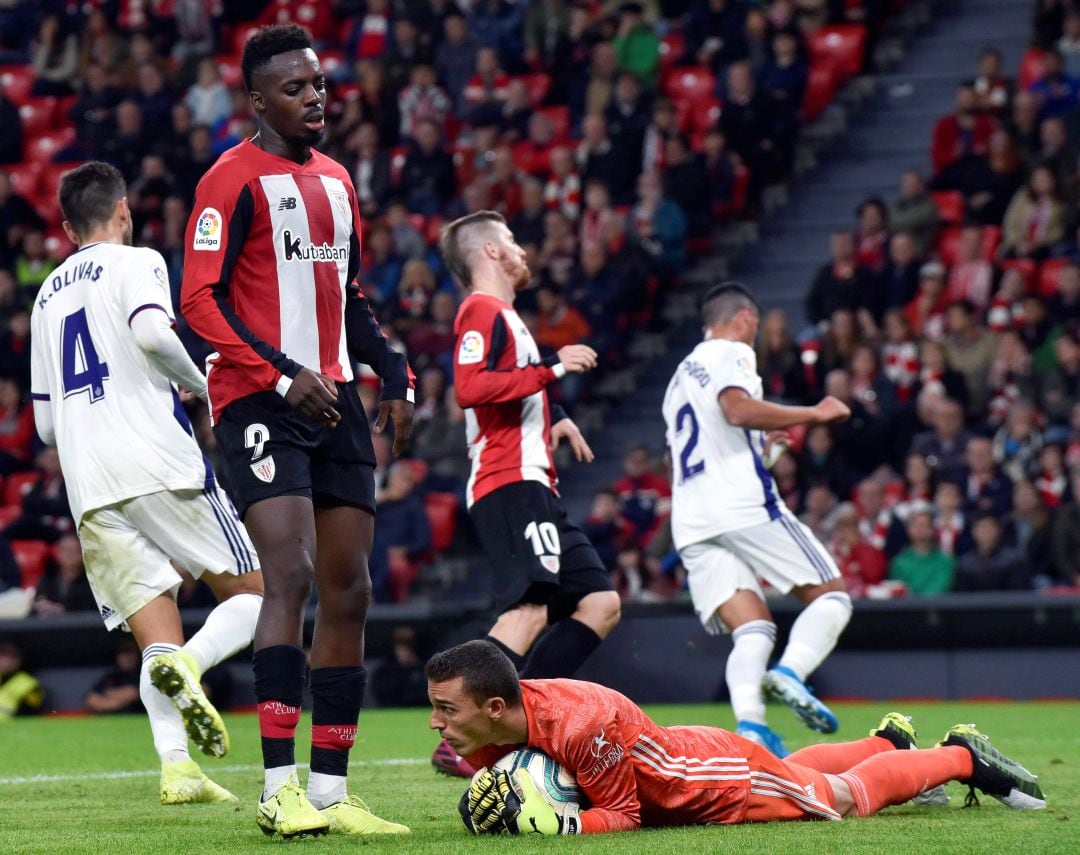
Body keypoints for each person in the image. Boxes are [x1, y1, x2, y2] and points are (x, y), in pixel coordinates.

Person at [178, 25, 413, 839]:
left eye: (318, 84)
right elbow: (199, 301)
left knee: (351, 588)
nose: (315, 97)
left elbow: (350, 298)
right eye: (295, 88)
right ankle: (278, 787)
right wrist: (280, 372)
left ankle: (329, 789)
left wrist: (396, 370)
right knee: (293, 573)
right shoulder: (227, 180)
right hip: (259, 398)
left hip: (336, 397)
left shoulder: (341, 182)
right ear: (257, 100)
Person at [29, 161, 265, 805]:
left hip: (88, 483)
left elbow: (46, 426)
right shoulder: (138, 262)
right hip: (158, 461)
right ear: (123, 210)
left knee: (155, 635)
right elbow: (152, 332)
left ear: (68, 222)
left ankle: (178, 769)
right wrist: (202, 386)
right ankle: (189, 666)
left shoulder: (46, 294)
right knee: (262, 595)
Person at [430, 640, 1045, 836]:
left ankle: (962, 756)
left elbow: (624, 813)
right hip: (691, 753)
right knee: (795, 771)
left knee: (839, 797)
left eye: (444, 709)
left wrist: (564, 825)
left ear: (491, 706)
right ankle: (890, 741)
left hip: (708, 784)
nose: (435, 724)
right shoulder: (495, 721)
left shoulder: (579, 723)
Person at [434, 210, 621, 772]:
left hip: (534, 480)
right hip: (507, 481)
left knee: (599, 603)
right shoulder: (481, 310)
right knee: (528, 611)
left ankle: (513, 724)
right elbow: (471, 388)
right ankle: (462, 737)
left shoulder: (505, 318)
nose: (521, 249)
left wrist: (553, 413)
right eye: (511, 240)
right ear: (489, 252)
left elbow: (513, 382)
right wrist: (554, 371)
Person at [662, 282, 854, 757]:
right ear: (745, 317)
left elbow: (695, 453)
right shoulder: (731, 351)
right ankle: (790, 673)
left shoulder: (677, 380)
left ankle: (751, 727)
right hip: (741, 505)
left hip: (692, 518)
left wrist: (760, 456)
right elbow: (738, 408)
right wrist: (813, 412)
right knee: (831, 597)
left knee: (753, 628)